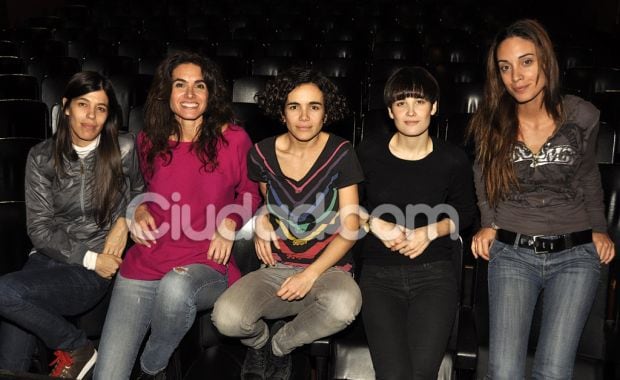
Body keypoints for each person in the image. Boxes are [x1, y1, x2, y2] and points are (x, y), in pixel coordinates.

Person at [94, 51, 261, 379]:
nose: (189, 94)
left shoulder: (234, 139)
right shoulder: (147, 141)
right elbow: (143, 191)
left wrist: (230, 223)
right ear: (166, 94)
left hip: (206, 261)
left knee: (175, 287)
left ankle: (152, 367)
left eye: (199, 86)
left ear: (210, 94)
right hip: (148, 259)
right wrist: (138, 210)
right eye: (180, 85)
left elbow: (251, 193)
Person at [468, 19, 615, 379]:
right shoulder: (491, 122)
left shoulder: (582, 115)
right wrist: (488, 222)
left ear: (546, 62)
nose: (516, 75)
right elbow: (482, 175)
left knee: (553, 371)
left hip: (575, 254)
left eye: (526, 61)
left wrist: (599, 228)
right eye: (505, 67)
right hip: (513, 253)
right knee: (503, 371)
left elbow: (588, 176)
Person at [211, 67, 363, 380]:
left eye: (314, 107)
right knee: (226, 318)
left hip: (328, 268)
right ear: (282, 112)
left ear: (325, 113)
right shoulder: (262, 154)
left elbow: (351, 227)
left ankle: (280, 345)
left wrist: (310, 274)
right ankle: (260, 342)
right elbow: (270, 202)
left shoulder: (341, 152)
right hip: (278, 267)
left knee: (344, 306)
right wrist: (262, 217)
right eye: (294, 107)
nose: (304, 117)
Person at [0, 71, 143, 379]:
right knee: (9, 366)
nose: (91, 117)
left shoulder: (124, 149)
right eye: (82, 105)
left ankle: (77, 347)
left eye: (101, 108)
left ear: (108, 116)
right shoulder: (41, 157)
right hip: (52, 261)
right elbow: (39, 229)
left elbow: (144, 194)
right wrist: (91, 257)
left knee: (4, 293)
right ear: (65, 107)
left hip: (91, 271)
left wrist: (123, 221)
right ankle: (79, 347)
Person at [355, 66, 477, 379]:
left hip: (435, 276)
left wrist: (429, 231)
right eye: (401, 103)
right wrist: (373, 223)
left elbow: (466, 212)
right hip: (379, 277)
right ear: (390, 111)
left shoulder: (453, 158)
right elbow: (344, 208)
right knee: (393, 375)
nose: (411, 111)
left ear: (433, 108)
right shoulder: (368, 152)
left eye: (419, 102)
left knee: (422, 373)